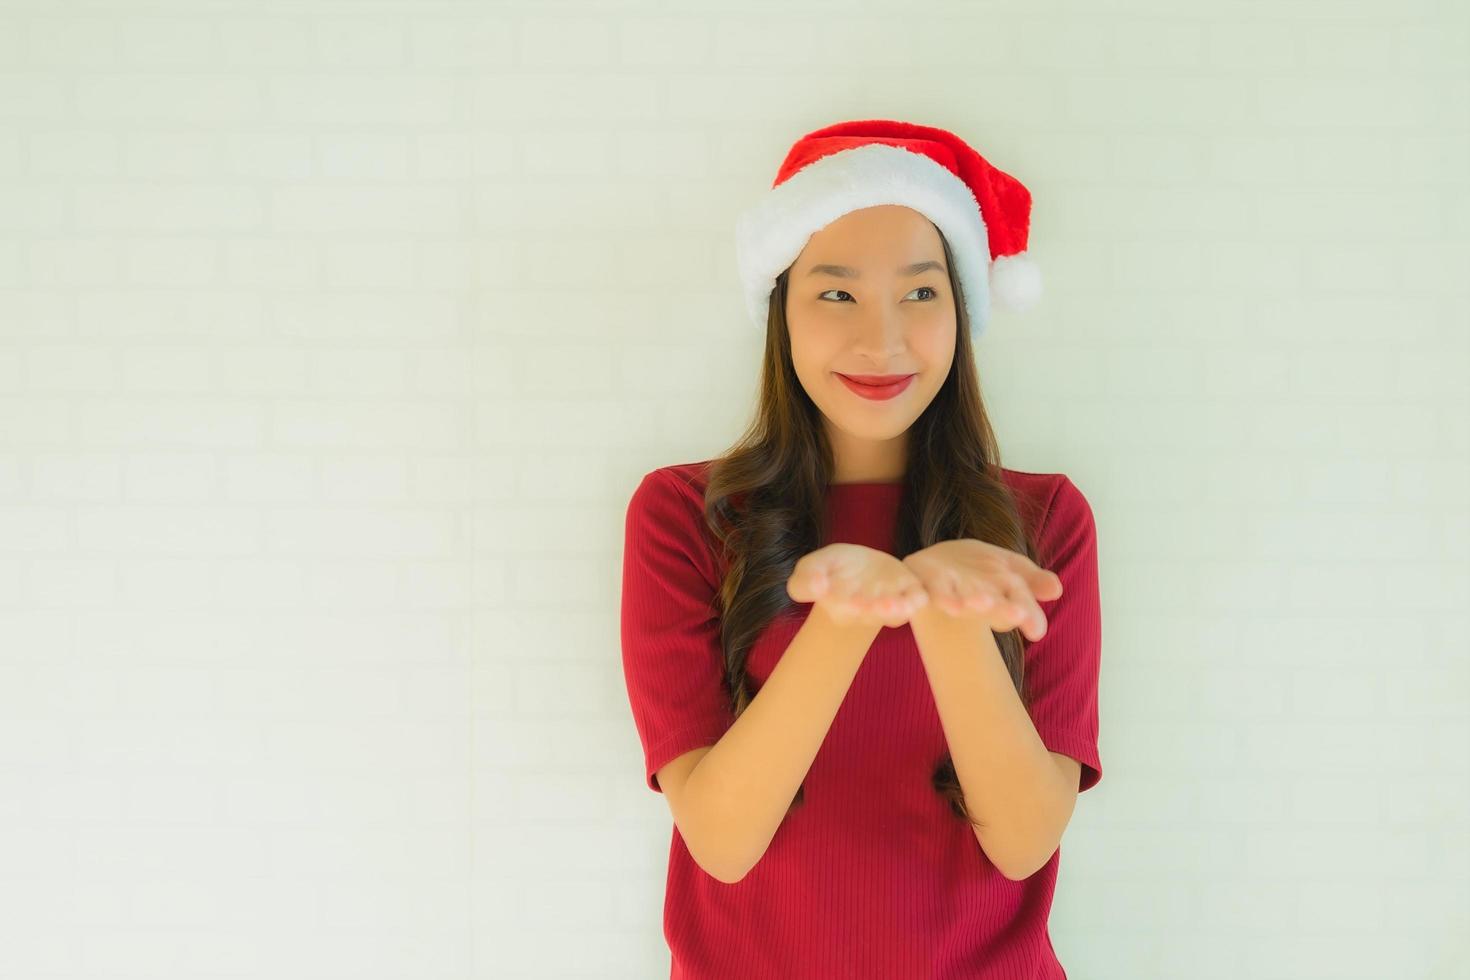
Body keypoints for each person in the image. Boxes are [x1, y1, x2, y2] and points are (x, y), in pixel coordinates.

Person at [620, 118, 1103, 979]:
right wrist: (847, 619)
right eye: (836, 294)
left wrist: (950, 615)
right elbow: (722, 842)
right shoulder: (685, 517)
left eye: (920, 293)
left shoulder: (1044, 522)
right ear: (783, 311)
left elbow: (1027, 842)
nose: (881, 338)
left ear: (961, 312)